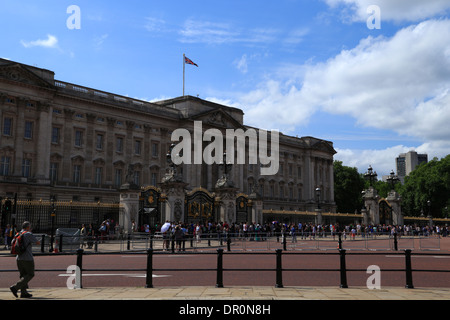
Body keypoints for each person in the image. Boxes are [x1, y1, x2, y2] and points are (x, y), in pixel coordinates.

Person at [10, 221, 40, 298]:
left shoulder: (18, 234)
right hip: (27, 258)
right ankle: (15, 287)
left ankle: (24, 293)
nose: (31, 228)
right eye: (30, 227)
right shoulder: (28, 234)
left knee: (23, 275)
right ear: (27, 227)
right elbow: (37, 242)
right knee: (30, 274)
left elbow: (12, 243)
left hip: (18, 258)